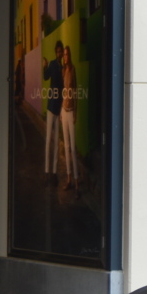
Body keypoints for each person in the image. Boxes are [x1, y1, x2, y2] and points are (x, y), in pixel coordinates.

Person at [42, 40, 64, 186]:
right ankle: (46, 172)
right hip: (51, 108)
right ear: (56, 52)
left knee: (56, 142)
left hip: (58, 108)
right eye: (57, 51)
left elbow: (64, 89)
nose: (58, 53)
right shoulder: (52, 64)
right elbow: (46, 77)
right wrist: (44, 67)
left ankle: (54, 173)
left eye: (60, 51)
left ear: (62, 53)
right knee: (48, 140)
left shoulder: (63, 67)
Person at [60, 45, 80, 191]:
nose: (65, 57)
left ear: (70, 56)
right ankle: (68, 179)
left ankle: (77, 181)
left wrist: (75, 113)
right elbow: (62, 91)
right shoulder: (63, 71)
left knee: (73, 147)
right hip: (63, 111)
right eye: (64, 55)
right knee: (66, 146)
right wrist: (61, 111)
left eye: (67, 54)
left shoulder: (73, 70)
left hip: (71, 110)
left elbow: (76, 92)